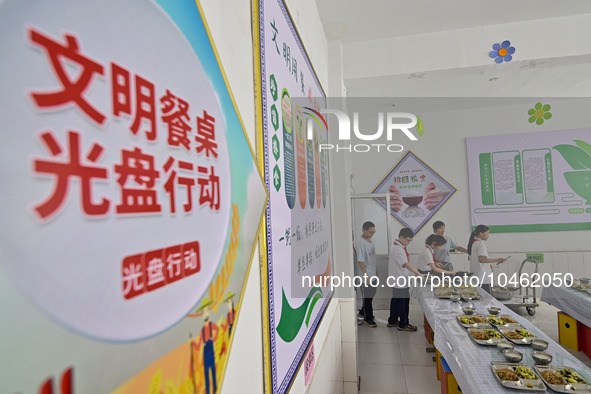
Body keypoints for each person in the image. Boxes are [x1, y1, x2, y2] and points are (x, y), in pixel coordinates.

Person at [387, 228, 422, 332]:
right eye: (407, 240)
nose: (409, 242)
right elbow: (405, 264)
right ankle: (403, 324)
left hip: (398, 279)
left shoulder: (397, 246)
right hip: (400, 280)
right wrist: (417, 273)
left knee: (396, 301)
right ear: (401, 237)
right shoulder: (398, 249)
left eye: (410, 240)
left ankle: (392, 320)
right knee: (403, 303)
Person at [467, 225, 507, 294]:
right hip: (483, 279)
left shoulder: (473, 243)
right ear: (481, 233)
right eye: (487, 233)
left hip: (476, 277)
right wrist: (498, 260)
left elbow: (470, 258)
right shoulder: (480, 244)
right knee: (487, 301)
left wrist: (488, 264)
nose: (488, 235)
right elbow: (482, 259)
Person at [356, 221, 378, 328]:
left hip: (373, 273)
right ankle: (368, 318)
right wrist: (366, 276)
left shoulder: (371, 240)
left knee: (372, 294)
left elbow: (373, 258)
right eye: (370, 232)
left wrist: (376, 271)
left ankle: (362, 311)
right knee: (368, 297)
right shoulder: (360, 242)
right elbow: (360, 261)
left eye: (373, 232)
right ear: (364, 230)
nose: (372, 234)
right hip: (366, 276)